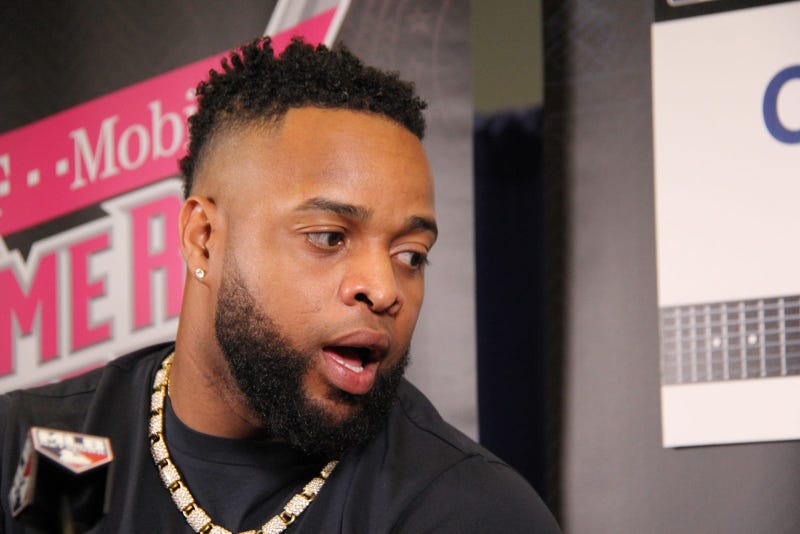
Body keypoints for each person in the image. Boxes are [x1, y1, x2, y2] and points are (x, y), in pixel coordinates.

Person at [0, 38, 561, 533]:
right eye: (328, 236)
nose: (384, 287)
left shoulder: (465, 510)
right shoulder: (28, 445)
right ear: (203, 240)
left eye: (410, 254)